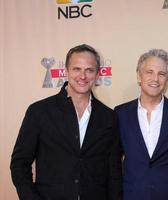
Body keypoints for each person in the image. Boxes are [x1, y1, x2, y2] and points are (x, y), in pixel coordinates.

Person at [10, 44, 122, 200]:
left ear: (97, 75)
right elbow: (19, 164)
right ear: (66, 72)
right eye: (77, 69)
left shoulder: (108, 116)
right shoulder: (39, 112)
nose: (83, 76)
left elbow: (114, 171)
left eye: (89, 70)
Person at [114, 49, 168, 200]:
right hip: (132, 195)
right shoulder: (120, 114)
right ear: (139, 76)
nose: (155, 78)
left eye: (161, 74)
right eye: (149, 72)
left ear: (167, 79)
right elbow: (113, 162)